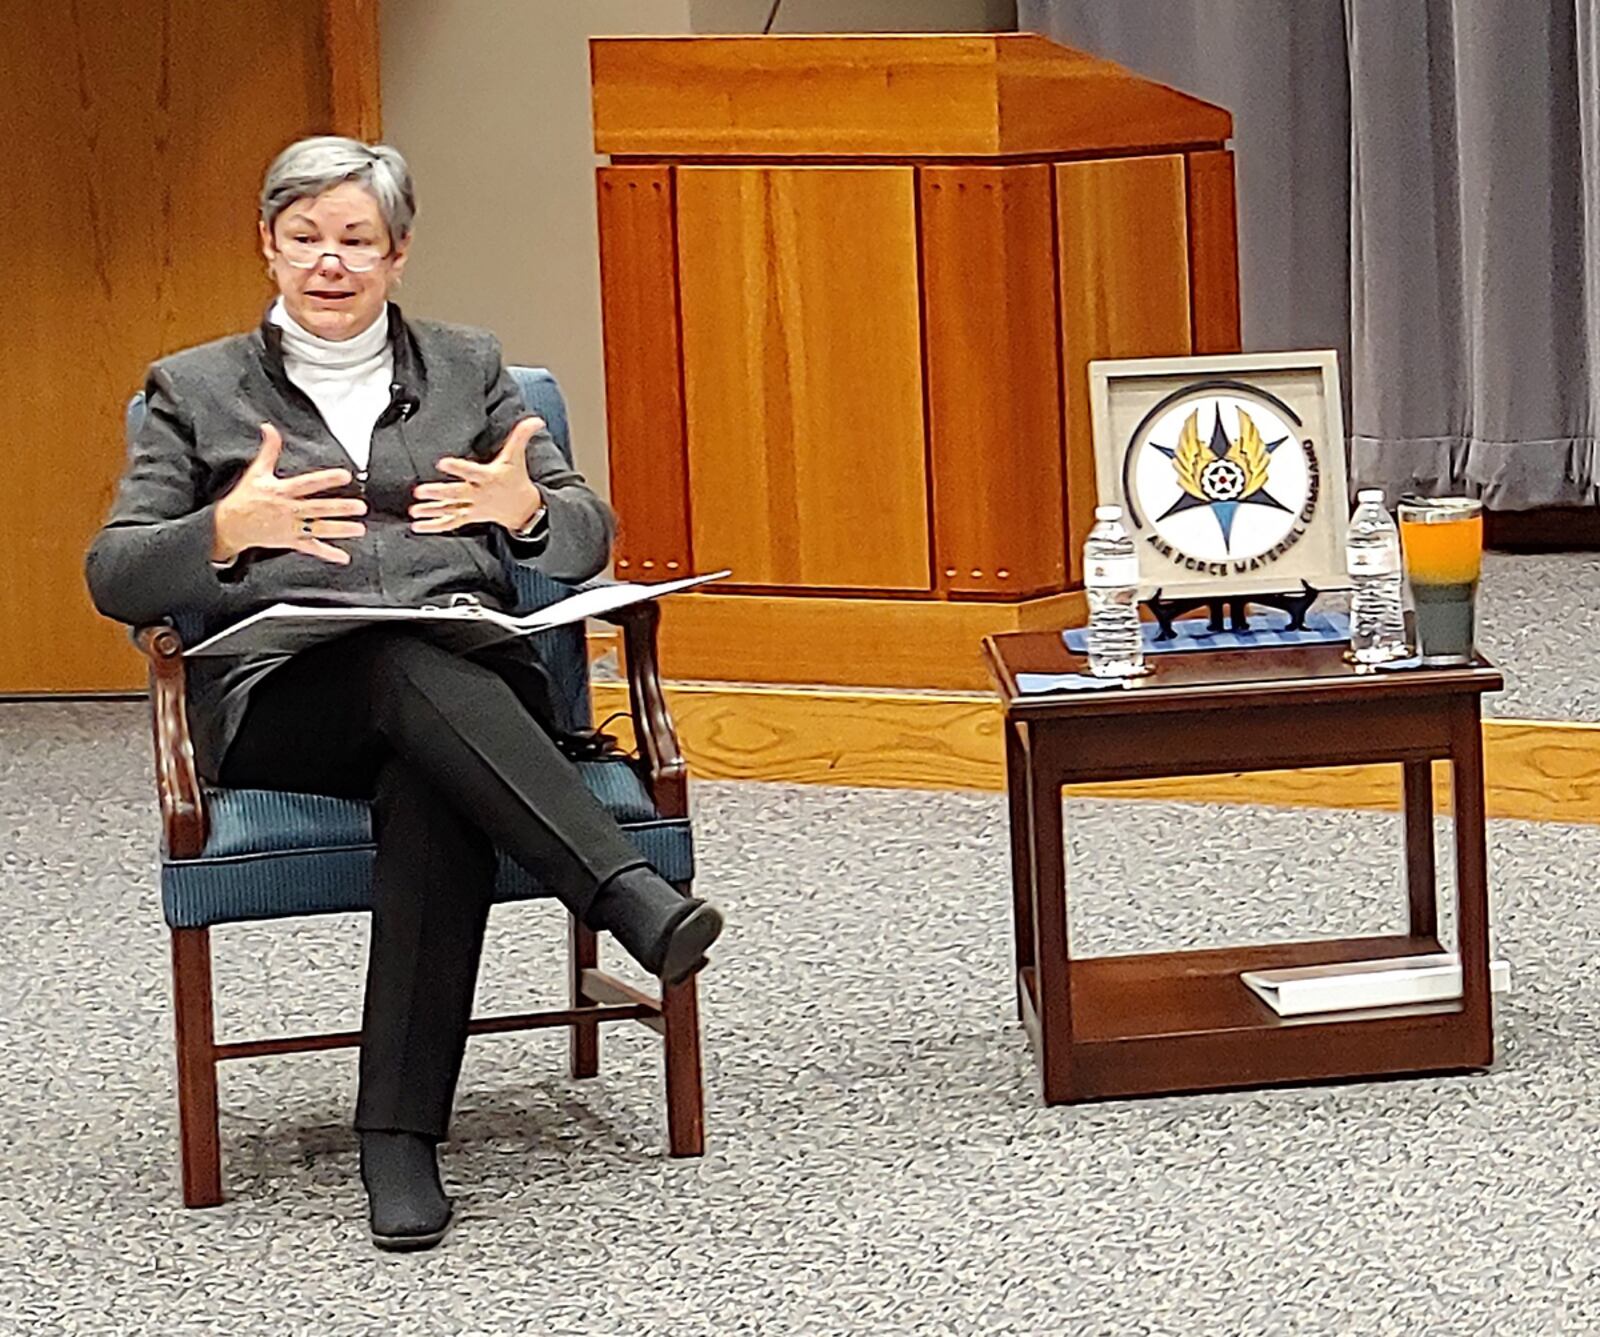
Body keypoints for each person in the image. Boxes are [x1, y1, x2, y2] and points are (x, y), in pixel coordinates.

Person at [85, 136, 724, 1252]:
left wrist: (528, 510)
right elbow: (114, 573)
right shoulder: (190, 389)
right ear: (268, 247)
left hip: (473, 680)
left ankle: (398, 1138)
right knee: (388, 667)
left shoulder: (472, 371)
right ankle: (624, 894)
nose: (330, 263)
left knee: (432, 765)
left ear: (397, 253)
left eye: (357, 241)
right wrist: (222, 530)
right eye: (305, 239)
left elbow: (583, 537)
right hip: (288, 700)